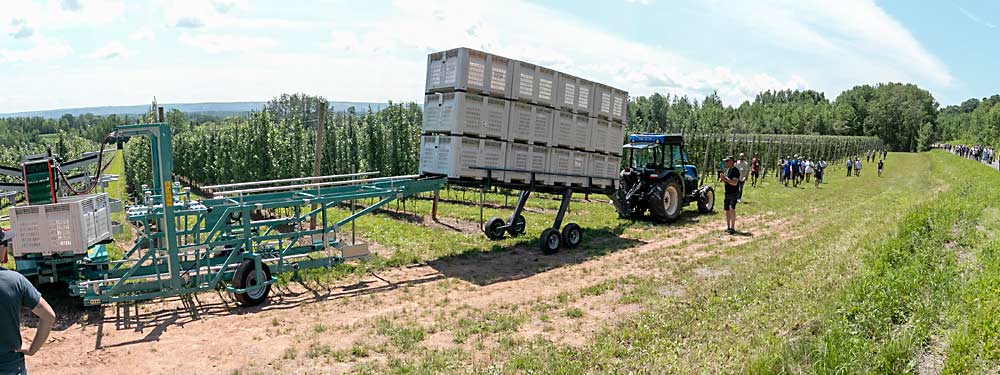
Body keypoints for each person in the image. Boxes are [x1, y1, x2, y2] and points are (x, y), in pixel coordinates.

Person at [1, 229, 56, 375]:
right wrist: (32, 349)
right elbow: (48, 315)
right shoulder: (15, 282)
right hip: (10, 367)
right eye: (5, 243)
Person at [720, 156, 740, 234]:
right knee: (727, 210)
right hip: (727, 193)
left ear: (731, 161)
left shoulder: (736, 171)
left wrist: (726, 179)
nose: (726, 163)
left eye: (727, 161)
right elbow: (726, 180)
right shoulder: (727, 170)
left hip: (734, 193)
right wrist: (722, 178)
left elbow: (734, 183)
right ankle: (728, 227)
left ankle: (732, 228)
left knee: (732, 208)